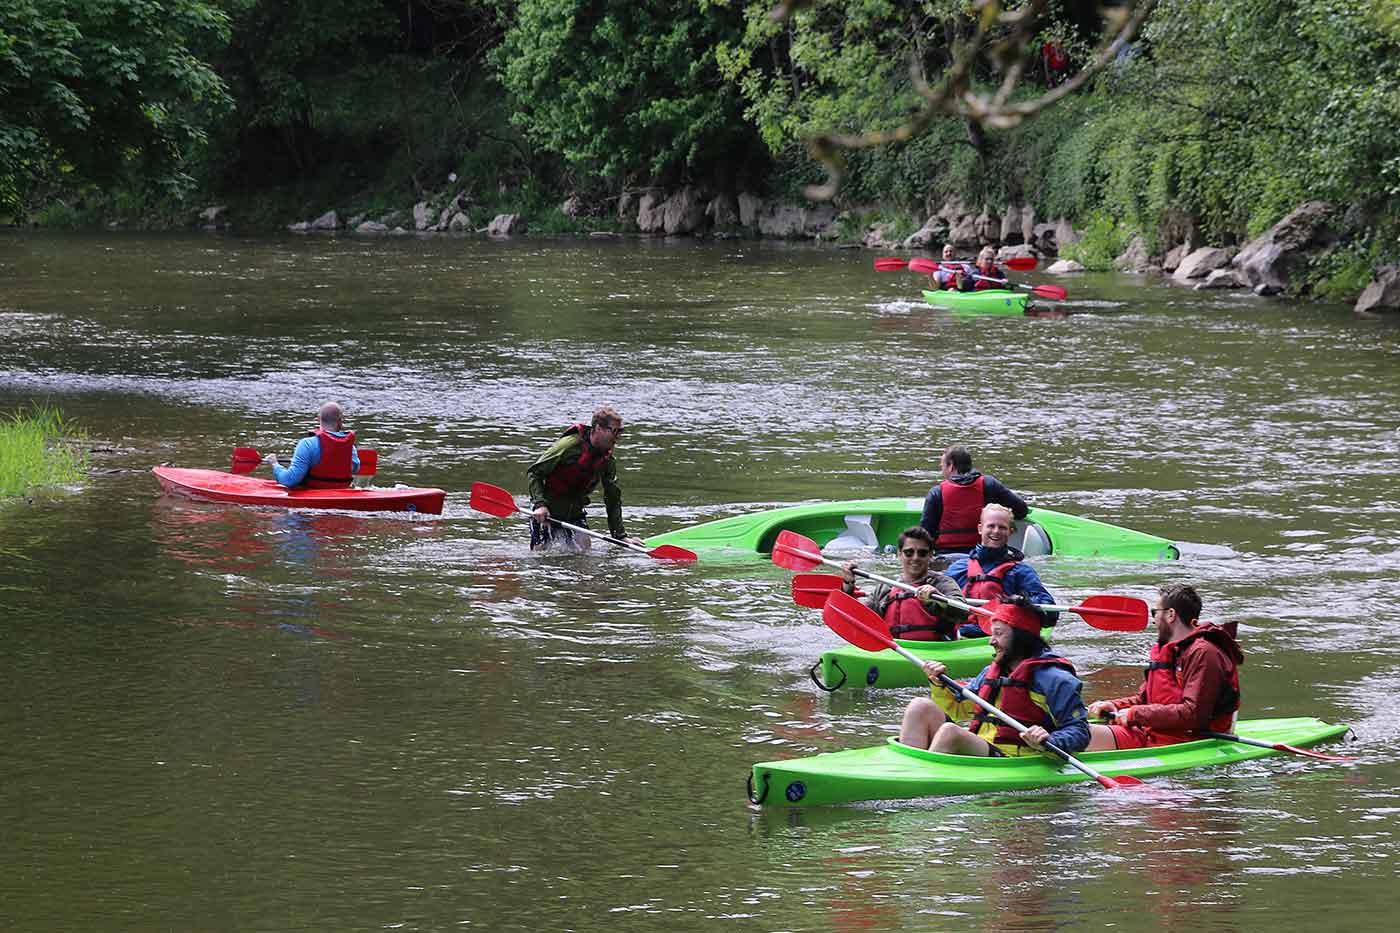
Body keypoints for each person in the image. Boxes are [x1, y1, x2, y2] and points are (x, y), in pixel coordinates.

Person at [898, 601, 1090, 757]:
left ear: (1020, 638)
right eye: (992, 633)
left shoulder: (1055, 679)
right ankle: (906, 769)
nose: (991, 641)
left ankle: (920, 782)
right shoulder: (991, 672)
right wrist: (938, 683)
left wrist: (1049, 741)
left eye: (999, 634)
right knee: (919, 706)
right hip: (985, 746)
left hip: (1018, 755)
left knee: (951, 733)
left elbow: (1079, 731)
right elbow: (959, 710)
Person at [1086, 584, 1243, 750]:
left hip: (1186, 741)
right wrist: (1116, 705)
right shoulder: (1169, 650)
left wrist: (1135, 714)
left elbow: (1193, 713)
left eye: (1155, 613)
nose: (1153, 620)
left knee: (1080, 736)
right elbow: (1144, 700)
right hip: (1153, 732)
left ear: (1170, 615)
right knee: (1076, 733)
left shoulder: (1204, 653)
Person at [526, 406, 643, 552]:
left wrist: (620, 536)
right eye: (615, 431)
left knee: (585, 553)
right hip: (545, 512)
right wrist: (540, 504)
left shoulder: (607, 459)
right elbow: (535, 472)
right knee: (540, 556)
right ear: (598, 428)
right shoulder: (569, 446)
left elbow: (612, 496)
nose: (618, 436)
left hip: (575, 513)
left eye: (621, 432)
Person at [945, 504, 1057, 638]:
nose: (996, 531)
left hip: (1000, 636)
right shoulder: (958, 568)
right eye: (991, 526)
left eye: (1002, 527)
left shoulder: (1020, 571)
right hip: (960, 636)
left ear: (1010, 531)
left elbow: (1050, 614)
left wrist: (1026, 603)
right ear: (980, 529)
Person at [837, 526, 968, 641]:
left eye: (922, 553)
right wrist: (848, 584)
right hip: (896, 650)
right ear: (899, 554)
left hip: (935, 651)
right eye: (909, 552)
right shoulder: (886, 587)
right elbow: (859, 619)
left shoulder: (942, 583)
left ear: (931, 555)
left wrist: (939, 599)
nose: (915, 558)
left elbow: (963, 613)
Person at [920, 446, 1028, 554]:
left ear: (951, 467)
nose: (942, 471)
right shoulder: (990, 485)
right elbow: (1021, 510)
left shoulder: (936, 493)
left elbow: (925, 535)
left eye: (942, 466)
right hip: (983, 556)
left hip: (946, 556)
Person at [264, 402, 360, 488]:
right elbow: (355, 469)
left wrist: (275, 464)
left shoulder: (307, 444)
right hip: (341, 493)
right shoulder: (350, 447)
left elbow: (289, 480)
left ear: (318, 419)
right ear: (340, 421)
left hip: (312, 494)